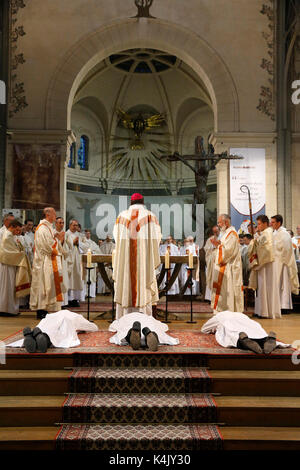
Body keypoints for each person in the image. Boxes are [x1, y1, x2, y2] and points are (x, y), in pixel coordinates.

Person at [113, 192, 161, 319]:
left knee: (126, 284)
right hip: (143, 264)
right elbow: (157, 238)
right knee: (143, 286)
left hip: (126, 262)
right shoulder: (150, 216)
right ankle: (144, 320)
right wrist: (147, 250)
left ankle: (124, 320)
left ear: (131, 202)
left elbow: (117, 239)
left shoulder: (121, 216)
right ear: (143, 202)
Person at [30, 207, 65, 319]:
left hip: (49, 260)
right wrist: (57, 241)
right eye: (54, 214)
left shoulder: (48, 227)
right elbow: (46, 246)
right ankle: (42, 309)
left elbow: (51, 241)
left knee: (48, 286)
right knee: (43, 286)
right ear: (47, 215)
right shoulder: (42, 228)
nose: (55, 216)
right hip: (44, 261)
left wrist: (57, 238)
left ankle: (48, 308)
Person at [201, 311, 289, 354]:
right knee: (258, 332)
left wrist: (214, 329)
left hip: (230, 323)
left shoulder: (219, 316)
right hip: (250, 323)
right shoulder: (241, 314)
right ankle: (267, 339)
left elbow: (204, 329)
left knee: (231, 335)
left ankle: (244, 341)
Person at [248, 215, 281, 318]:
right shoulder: (263, 234)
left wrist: (255, 242)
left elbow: (265, 249)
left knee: (265, 287)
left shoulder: (268, 234)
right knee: (261, 288)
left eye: (259, 224)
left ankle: (265, 312)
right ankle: (260, 311)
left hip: (266, 265)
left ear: (265, 224)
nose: (258, 226)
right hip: (262, 265)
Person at [210, 214, 244, 313]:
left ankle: (229, 310)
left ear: (226, 222)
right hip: (224, 266)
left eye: (220, 222)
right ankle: (222, 310)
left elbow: (228, 251)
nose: (219, 224)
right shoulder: (225, 233)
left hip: (229, 266)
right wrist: (218, 245)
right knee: (223, 290)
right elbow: (223, 246)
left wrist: (218, 246)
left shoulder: (232, 234)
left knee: (228, 290)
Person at [0, 219, 31, 316]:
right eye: (17, 230)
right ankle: (5, 309)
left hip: (12, 265)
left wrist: (21, 251)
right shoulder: (7, 236)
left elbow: (17, 248)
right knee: (7, 288)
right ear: (12, 227)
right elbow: (8, 252)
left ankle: (11, 309)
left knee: (11, 288)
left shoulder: (12, 235)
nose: (18, 232)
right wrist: (21, 254)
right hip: (7, 265)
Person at [271, 214, 299, 313]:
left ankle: (284, 306)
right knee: (276, 285)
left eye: (273, 222)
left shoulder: (284, 234)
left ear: (279, 223)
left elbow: (286, 250)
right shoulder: (274, 233)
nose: (271, 224)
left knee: (283, 285)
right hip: (275, 263)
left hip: (283, 264)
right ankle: (277, 305)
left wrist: (278, 257)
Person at [109, 312, 179, 350]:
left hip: (130, 321)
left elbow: (113, 326)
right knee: (154, 330)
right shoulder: (149, 318)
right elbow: (164, 327)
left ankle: (131, 334)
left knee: (126, 330)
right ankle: (148, 333)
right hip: (148, 323)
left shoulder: (126, 317)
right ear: (143, 313)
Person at [65, 219, 88, 307]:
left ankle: (75, 299)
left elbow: (86, 246)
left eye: (77, 225)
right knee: (70, 279)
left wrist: (78, 243)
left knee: (77, 279)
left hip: (78, 260)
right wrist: (72, 242)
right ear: (70, 225)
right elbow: (64, 245)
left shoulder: (80, 235)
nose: (75, 227)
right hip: (69, 260)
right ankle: (68, 299)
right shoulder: (66, 234)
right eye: (74, 225)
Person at [55, 216, 72, 308]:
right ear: (55, 223)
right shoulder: (52, 233)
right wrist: (59, 241)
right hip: (56, 260)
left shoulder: (66, 234)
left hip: (64, 260)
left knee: (64, 280)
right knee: (57, 280)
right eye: (59, 222)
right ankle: (57, 302)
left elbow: (71, 247)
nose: (61, 224)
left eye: (62, 223)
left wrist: (63, 241)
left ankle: (64, 302)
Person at [82, 229, 100, 298]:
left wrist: (93, 252)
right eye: (86, 233)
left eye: (89, 233)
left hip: (92, 262)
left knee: (92, 278)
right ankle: (85, 293)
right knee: (85, 277)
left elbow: (98, 250)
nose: (88, 235)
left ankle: (91, 294)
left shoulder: (93, 242)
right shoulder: (82, 242)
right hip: (85, 263)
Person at [204, 225, 220, 301]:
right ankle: (210, 298)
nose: (215, 233)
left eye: (216, 231)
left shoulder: (223, 238)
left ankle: (218, 297)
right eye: (214, 232)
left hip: (219, 263)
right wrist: (212, 247)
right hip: (211, 263)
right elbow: (206, 249)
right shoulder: (210, 239)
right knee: (211, 278)